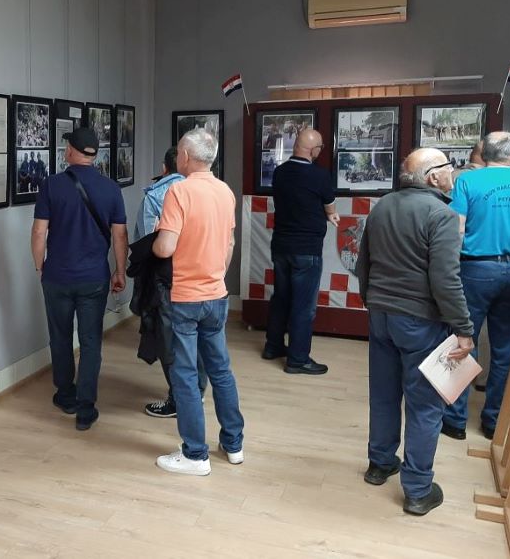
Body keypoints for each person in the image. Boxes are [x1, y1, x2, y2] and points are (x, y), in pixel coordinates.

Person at [355, 147, 474, 516]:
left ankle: (379, 464)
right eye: (449, 167)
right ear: (433, 177)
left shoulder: (382, 207)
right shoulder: (442, 215)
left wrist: (371, 302)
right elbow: (446, 280)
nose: (453, 172)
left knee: (384, 394)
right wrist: (464, 328)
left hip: (381, 315)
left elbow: (363, 264)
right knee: (425, 405)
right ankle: (418, 490)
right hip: (421, 321)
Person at [152, 128, 244, 476]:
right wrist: (216, 274)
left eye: (179, 152)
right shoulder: (224, 191)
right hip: (216, 294)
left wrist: (157, 237)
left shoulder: (179, 191)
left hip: (186, 298)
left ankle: (194, 454)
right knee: (221, 370)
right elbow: (230, 243)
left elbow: (165, 248)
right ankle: (233, 445)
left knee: (186, 375)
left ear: (186, 157)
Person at [442, 131, 510, 441]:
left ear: (484, 153)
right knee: (505, 348)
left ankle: (455, 421)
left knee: (462, 341)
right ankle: (493, 421)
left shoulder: (467, 181)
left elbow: (457, 230)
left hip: (475, 269)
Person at [31, 127, 128, 431]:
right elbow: (119, 235)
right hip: (94, 279)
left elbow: (39, 231)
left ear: (71, 151)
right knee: (90, 341)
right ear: (94, 154)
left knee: (60, 336)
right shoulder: (111, 189)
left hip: (57, 277)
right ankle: (86, 408)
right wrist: (120, 270)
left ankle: (65, 395)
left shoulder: (51, 185)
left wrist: (39, 266)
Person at [130, 147, 208, 418]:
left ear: (164, 168)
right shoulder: (205, 193)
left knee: (169, 340)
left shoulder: (155, 196)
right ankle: (197, 391)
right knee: (196, 337)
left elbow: (147, 243)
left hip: (165, 278)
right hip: (200, 277)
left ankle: (179, 400)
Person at [262, 129, 338, 374]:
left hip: (281, 246)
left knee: (281, 298)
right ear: (313, 150)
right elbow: (330, 207)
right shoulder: (320, 175)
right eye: (320, 148)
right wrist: (330, 214)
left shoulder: (280, 172)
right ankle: (297, 359)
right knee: (304, 306)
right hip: (307, 249)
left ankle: (273, 346)